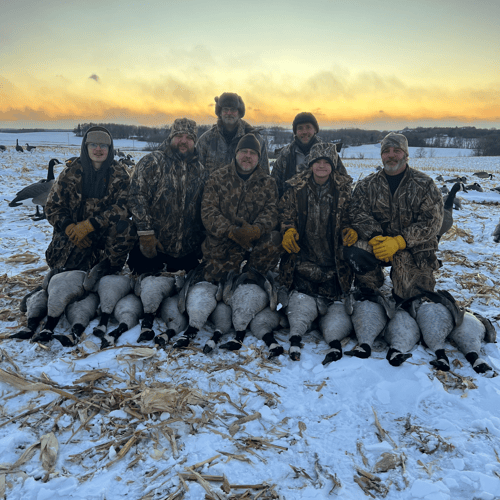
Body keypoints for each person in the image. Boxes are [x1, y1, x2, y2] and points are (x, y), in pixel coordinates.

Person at [346, 132, 444, 301]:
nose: (391, 155)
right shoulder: (367, 185)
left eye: (396, 151)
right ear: (381, 155)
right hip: (378, 245)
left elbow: (432, 222)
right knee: (354, 249)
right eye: (386, 151)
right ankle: (371, 281)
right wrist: (376, 236)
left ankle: (403, 280)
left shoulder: (424, 184)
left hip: (412, 248)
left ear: (406, 155)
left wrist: (400, 241)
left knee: (411, 299)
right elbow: (357, 213)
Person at [45, 126, 136, 276]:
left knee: (126, 227)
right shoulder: (70, 173)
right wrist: (69, 228)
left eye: (103, 145)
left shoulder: (120, 174)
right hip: (74, 234)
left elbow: (125, 207)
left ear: (110, 148)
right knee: (68, 275)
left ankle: (111, 270)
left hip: (103, 233)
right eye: (93, 145)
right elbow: (52, 207)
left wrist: (90, 225)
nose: (98, 149)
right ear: (85, 147)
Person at [127, 118, 208, 275]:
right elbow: (137, 197)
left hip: (187, 253)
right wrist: (146, 235)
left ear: (195, 141)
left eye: (189, 138)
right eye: (179, 136)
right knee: (147, 291)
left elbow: (203, 207)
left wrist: (204, 239)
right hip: (154, 249)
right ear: (171, 137)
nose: (183, 141)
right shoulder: (153, 162)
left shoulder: (200, 171)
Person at [201, 133, 281, 282]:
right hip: (224, 242)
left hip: (254, 242)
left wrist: (256, 230)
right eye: (244, 151)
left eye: (253, 153)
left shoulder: (268, 182)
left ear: (258, 157)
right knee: (217, 281)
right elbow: (208, 211)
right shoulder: (217, 178)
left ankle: (254, 274)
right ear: (236, 153)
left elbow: (272, 211)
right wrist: (231, 231)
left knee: (275, 238)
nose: (248, 156)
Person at [278, 143, 354, 298]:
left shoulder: (344, 190)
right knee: (300, 298)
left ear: (333, 165)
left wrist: (348, 229)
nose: (322, 166)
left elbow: (351, 216)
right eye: (317, 162)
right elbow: (285, 214)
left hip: (333, 266)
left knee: (332, 300)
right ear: (311, 164)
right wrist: (288, 229)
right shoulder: (295, 188)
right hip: (302, 263)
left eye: (327, 162)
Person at [271, 112, 348, 199]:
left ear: (315, 130)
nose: (304, 132)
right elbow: (273, 187)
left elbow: (343, 183)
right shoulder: (285, 155)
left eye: (308, 127)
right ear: (295, 132)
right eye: (300, 128)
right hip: (291, 209)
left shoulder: (329, 152)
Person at [196, 92, 270, 174]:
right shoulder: (206, 140)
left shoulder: (256, 140)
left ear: (239, 113)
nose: (229, 113)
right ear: (220, 113)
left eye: (233, 110)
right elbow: (196, 174)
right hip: (212, 186)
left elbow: (264, 175)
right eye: (225, 109)